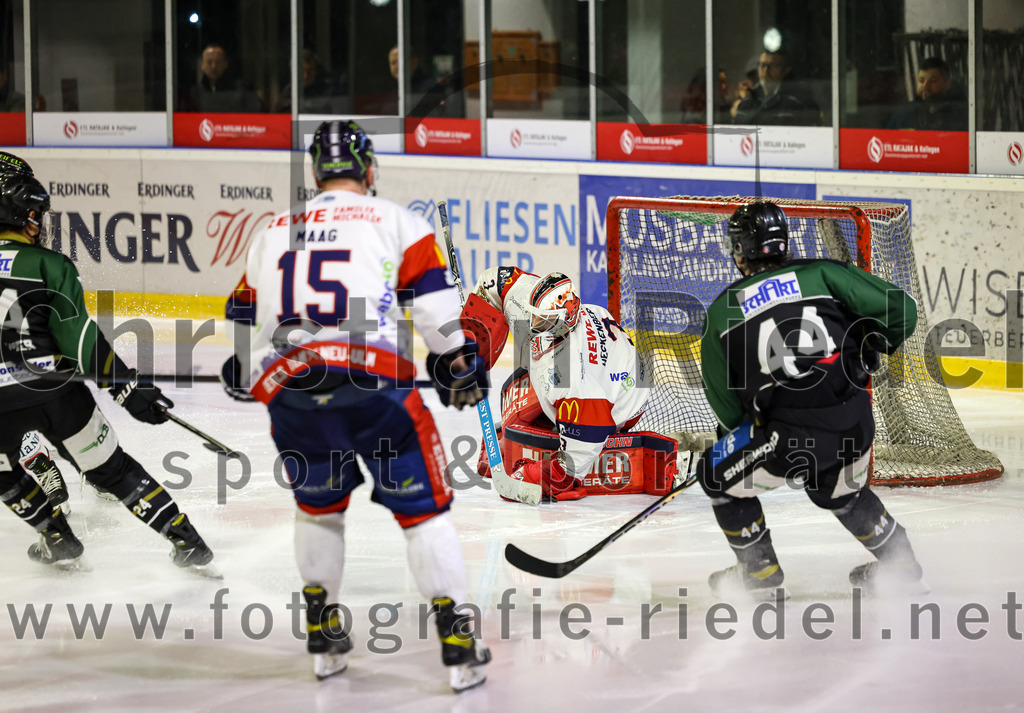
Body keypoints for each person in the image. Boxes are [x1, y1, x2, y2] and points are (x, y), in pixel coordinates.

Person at [220, 119, 491, 691]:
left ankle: (322, 631)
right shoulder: (396, 220)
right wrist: (458, 365)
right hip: (373, 390)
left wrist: (244, 365)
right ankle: (457, 639)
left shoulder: (272, 229)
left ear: (318, 172)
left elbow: (244, 316)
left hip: (290, 390)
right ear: (368, 169)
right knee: (424, 512)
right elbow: (440, 320)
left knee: (318, 509)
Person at [695, 201, 926, 598]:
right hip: (856, 425)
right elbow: (902, 309)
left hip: (790, 440)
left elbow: (728, 409)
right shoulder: (824, 273)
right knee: (837, 489)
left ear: (739, 251)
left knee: (714, 473)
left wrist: (748, 440)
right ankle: (899, 562)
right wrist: (872, 341)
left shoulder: (722, 311)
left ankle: (759, 573)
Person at [0, 168, 214, 572]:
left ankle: (56, 534)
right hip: (55, 394)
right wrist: (124, 387)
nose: (37, 223)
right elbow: (79, 339)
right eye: (32, 214)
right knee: (113, 471)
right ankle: (186, 540)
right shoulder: (47, 264)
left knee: (2, 476)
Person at [463, 267, 654, 501]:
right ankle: (541, 432)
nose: (532, 322)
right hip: (614, 368)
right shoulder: (532, 302)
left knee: (532, 411)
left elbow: (569, 471)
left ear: (563, 324)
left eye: (543, 320)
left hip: (626, 402)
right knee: (514, 392)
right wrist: (474, 346)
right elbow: (492, 283)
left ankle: (547, 435)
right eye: (535, 314)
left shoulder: (575, 378)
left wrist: (535, 476)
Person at [731, 49, 821, 126]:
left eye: (773, 66)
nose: (766, 71)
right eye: (762, 65)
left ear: (786, 69)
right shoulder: (746, 103)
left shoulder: (798, 102)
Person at [887, 56, 967, 131]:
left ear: (947, 83)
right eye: (921, 81)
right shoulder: (905, 113)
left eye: (933, 81)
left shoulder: (959, 112)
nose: (925, 86)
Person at [188, 43, 263, 113]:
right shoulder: (195, 93)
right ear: (202, 65)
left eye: (218, 62)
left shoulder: (242, 90)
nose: (214, 66)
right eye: (209, 62)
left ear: (225, 64)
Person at [274, 49, 349, 114]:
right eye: (302, 70)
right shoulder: (287, 93)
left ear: (317, 71)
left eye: (310, 71)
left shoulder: (331, 93)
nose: (305, 76)